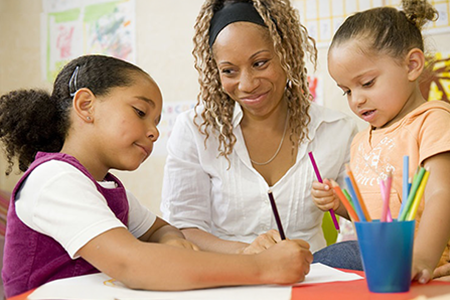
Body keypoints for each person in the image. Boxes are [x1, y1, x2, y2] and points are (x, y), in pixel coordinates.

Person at [0, 55, 313, 298]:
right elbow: (132, 264)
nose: (154, 131)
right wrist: (262, 267)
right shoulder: (55, 179)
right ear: (86, 105)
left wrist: (174, 241)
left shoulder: (104, 185)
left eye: (157, 121)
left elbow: (160, 230)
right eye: (140, 112)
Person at [161, 0, 358, 257]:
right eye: (229, 70)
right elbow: (182, 229)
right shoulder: (196, 130)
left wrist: (341, 203)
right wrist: (249, 253)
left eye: (260, 63)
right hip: (227, 280)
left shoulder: (336, 130)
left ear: (286, 54)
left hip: (312, 276)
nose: (247, 84)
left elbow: (369, 213)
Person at [312, 0, 450, 284]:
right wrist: (340, 204)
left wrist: (422, 258)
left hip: (420, 258)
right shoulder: (362, 140)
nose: (356, 99)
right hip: (376, 259)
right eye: (346, 91)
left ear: (412, 65)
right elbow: (371, 215)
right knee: (319, 262)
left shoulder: (432, 121)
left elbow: (442, 194)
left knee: (323, 260)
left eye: (367, 83)